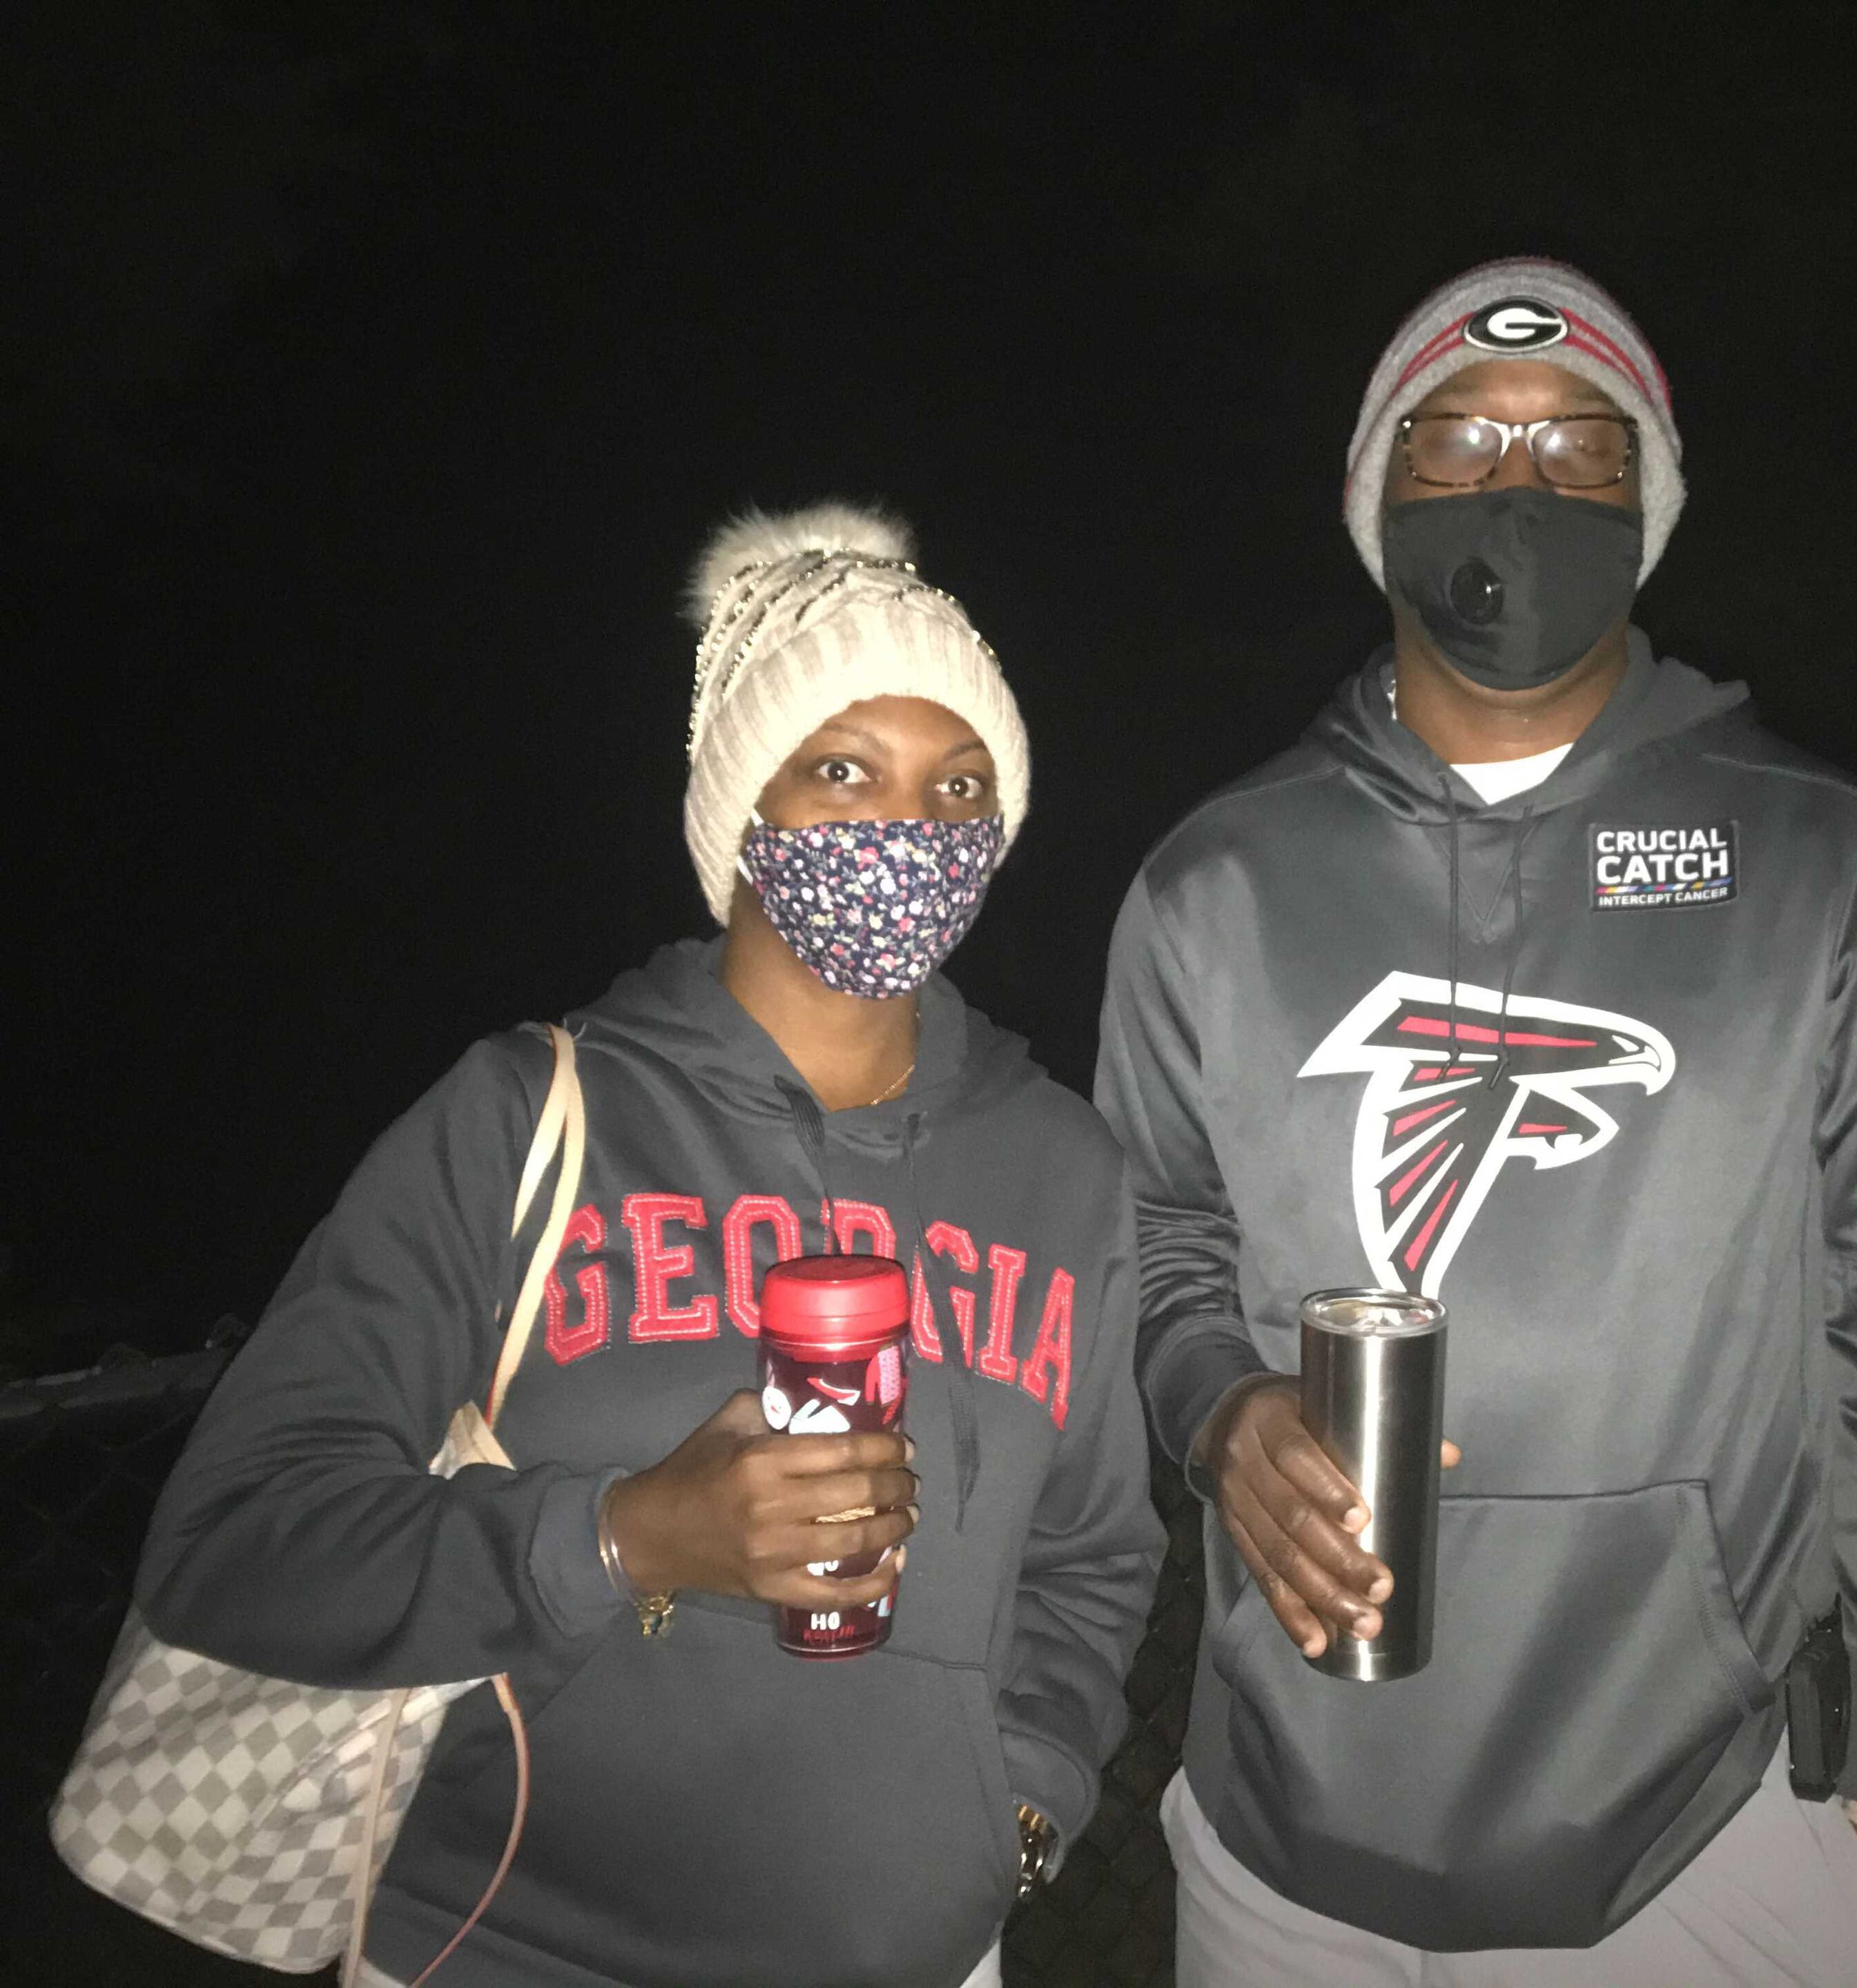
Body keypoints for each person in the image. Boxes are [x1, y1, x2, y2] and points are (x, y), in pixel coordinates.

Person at [1096, 259, 1857, 1987]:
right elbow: (1153, 1233)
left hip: (1709, 1830)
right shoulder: (1214, 881)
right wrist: (1218, 1405)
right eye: (1453, 441)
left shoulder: (1836, 857)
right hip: (1284, 1842)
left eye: (1575, 449)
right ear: (1374, 500)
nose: (1512, 486)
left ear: (1647, 507)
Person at [133, 506, 1163, 1988]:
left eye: (960, 786)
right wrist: (624, 1537)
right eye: (843, 771)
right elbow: (234, 1541)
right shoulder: (523, 1117)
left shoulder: (1063, 1168)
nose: (909, 831)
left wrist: (1019, 1812)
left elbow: (1091, 1558)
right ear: (742, 806)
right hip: (501, 1946)